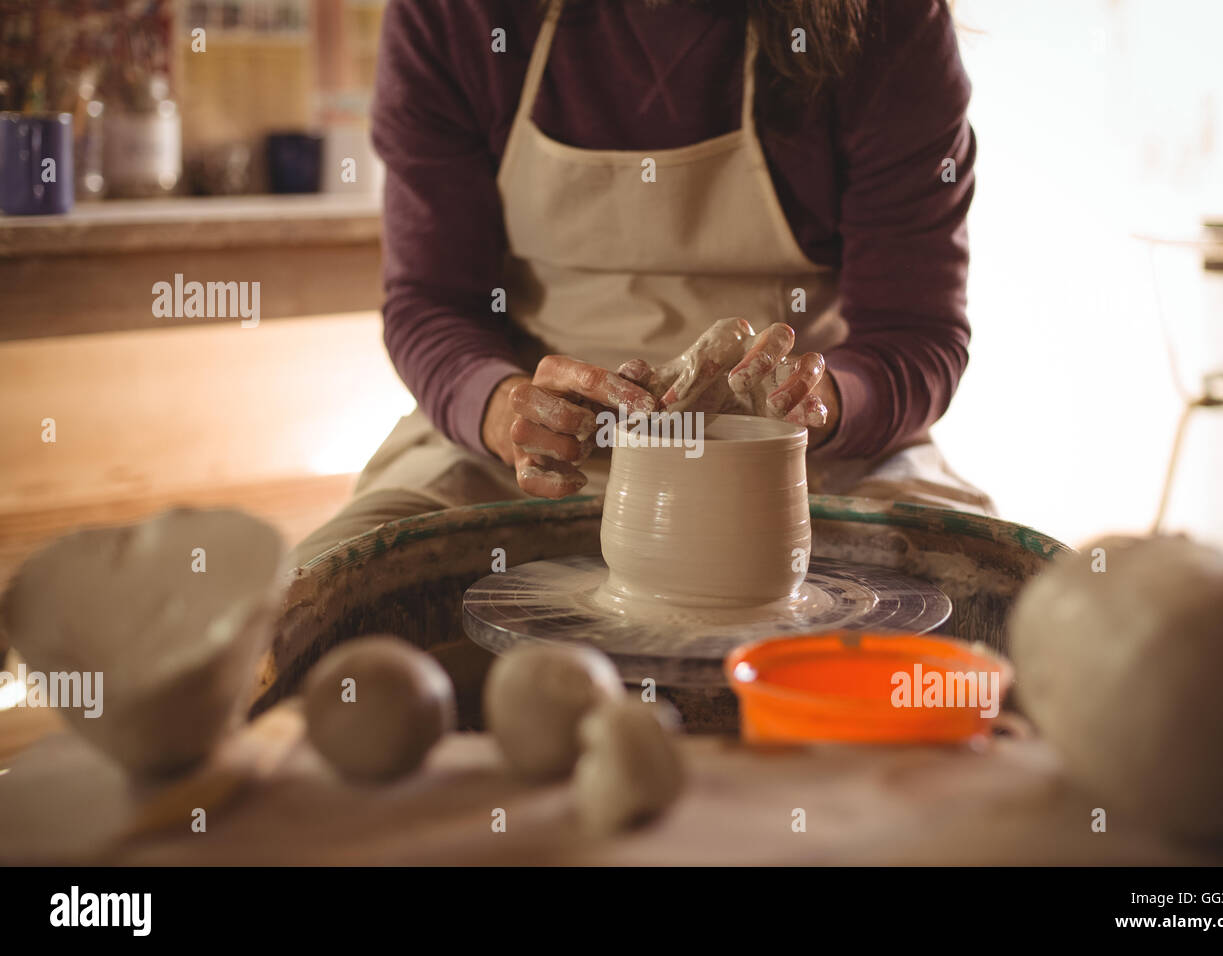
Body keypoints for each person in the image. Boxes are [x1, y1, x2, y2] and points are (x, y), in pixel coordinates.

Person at [290, 0, 993, 568]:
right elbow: (433, 302)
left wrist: (822, 400)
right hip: (519, 456)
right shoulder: (458, 15)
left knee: (1008, 615)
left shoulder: (881, 21)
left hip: (815, 458)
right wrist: (503, 409)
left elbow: (915, 332)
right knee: (319, 602)